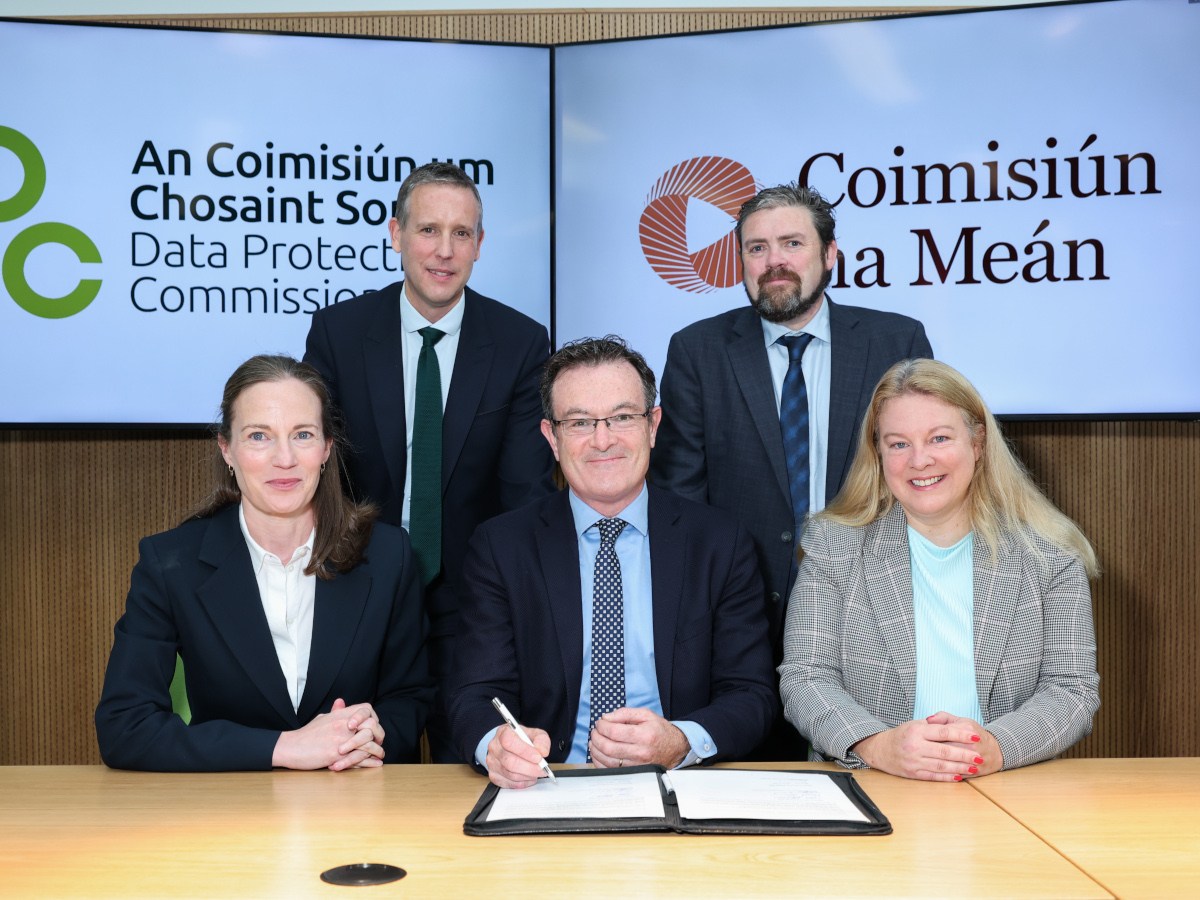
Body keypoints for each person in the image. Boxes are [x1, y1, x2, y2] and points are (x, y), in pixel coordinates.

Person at [650, 182, 933, 757]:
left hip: (867, 616)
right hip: (741, 618)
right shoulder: (697, 351)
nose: (773, 261)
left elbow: (922, 481)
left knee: (871, 780)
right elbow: (681, 499)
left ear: (829, 255)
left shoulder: (894, 340)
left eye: (791, 243)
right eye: (756, 248)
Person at [304, 162, 555, 761]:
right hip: (357, 589)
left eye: (461, 234)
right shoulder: (339, 332)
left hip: (470, 603)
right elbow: (320, 468)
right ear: (395, 234)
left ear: (480, 244)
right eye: (428, 230)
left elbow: (523, 491)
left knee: (463, 766)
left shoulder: (521, 342)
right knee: (356, 769)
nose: (444, 251)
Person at [448, 337, 777, 788]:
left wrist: (681, 740)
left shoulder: (720, 543)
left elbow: (751, 696)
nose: (603, 441)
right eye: (580, 422)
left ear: (653, 426)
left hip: (680, 786)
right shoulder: (501, 548)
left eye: (623, 417)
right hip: (548, 787)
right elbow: (474, 696)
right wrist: (496, 747)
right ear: (552, 437)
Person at [95, 355, 433, 772]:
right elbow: (124, 727)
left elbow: (411, 697)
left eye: (303, 434)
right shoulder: (171, 563)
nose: (284, 458)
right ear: (227, 450)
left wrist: (371, 736)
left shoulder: (388, 556)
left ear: (327, 447)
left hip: (353, 809)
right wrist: (286, 748)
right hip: (226, 813)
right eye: (259, 436)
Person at [779, 358, 1100, 781]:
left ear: (978, 443)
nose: (920, 460)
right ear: (878, 453)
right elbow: (805, 678)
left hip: (1008, 787)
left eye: (939, 438)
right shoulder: (832, 546)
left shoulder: (1050, 554)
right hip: (873, 782)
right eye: (898, 444)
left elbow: (1071, 690)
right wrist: (878, 746)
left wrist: (995, 748)